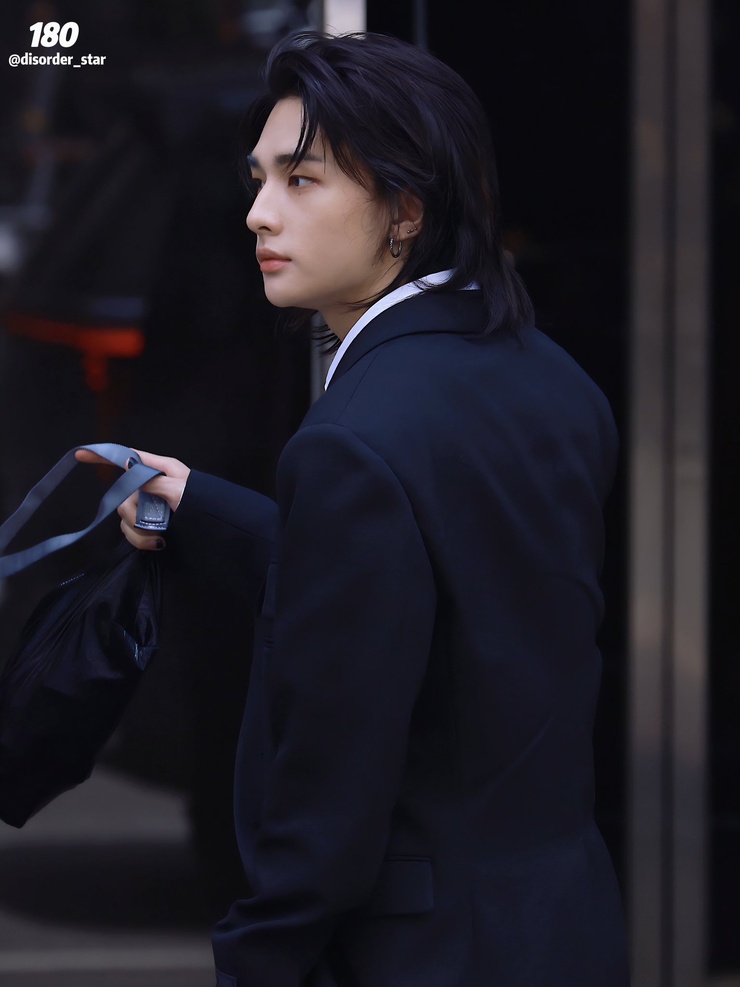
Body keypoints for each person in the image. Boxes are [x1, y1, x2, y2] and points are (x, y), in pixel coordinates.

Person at [78, 29, 629, 987]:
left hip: (420, 952)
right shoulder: (553, 380)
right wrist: (203, 508)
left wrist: (257, 957)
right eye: (259, 179)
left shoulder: (354, 440)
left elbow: (329, 787)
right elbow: (445, 594)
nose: (258, 212)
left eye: (302, 180)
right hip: (564, 922)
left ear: (406, 211)